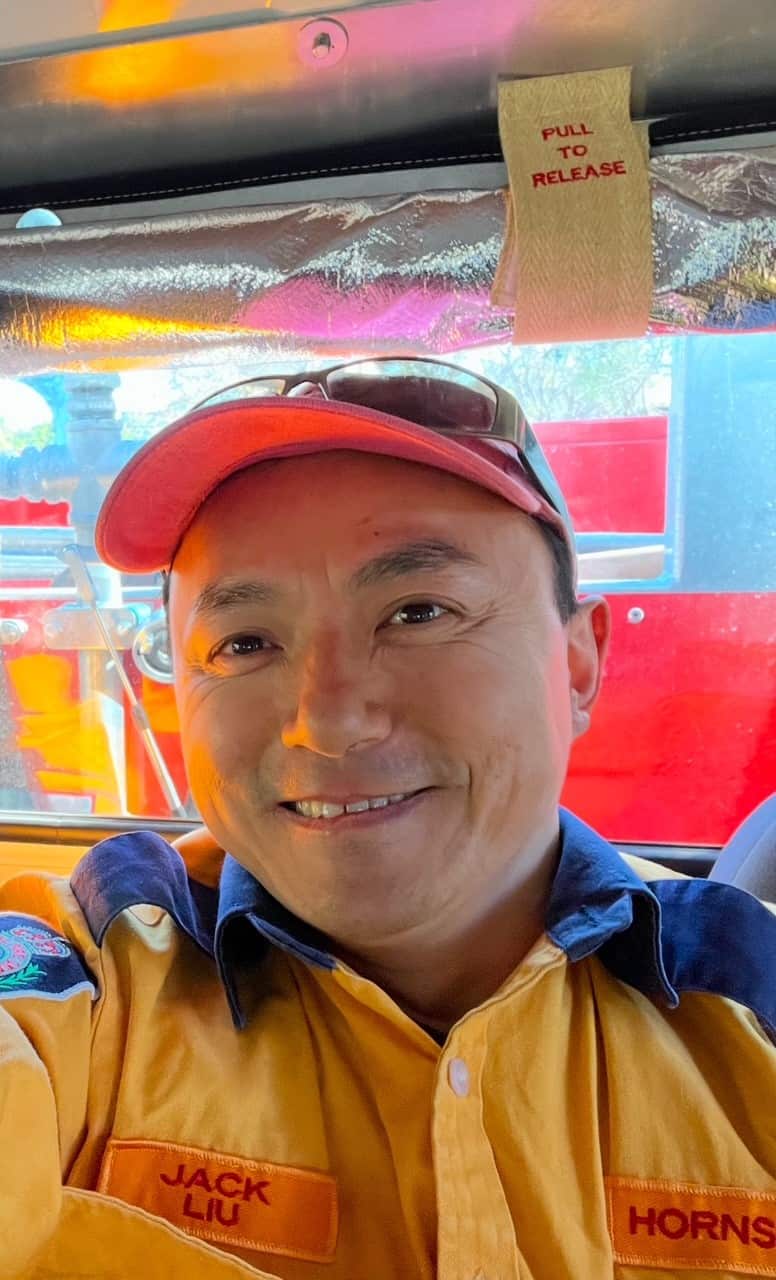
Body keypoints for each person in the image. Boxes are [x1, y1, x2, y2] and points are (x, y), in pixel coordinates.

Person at [1, 358, 774, 1280]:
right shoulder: (98, 971)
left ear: (577, 667)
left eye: (417, 612)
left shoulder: (753, 1003)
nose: (326, 721)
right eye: (244, 643)